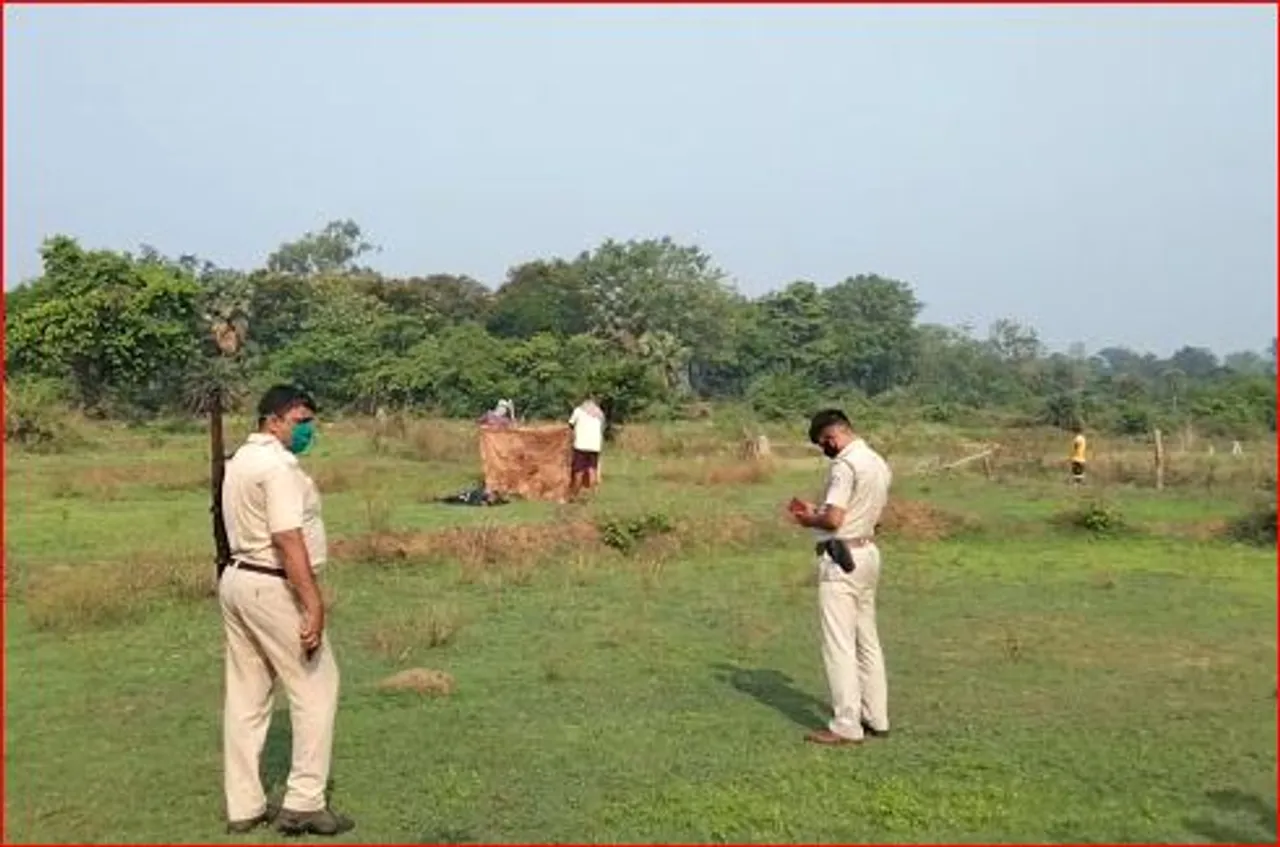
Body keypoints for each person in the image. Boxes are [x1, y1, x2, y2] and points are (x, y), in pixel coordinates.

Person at [218, 385, 353, 836]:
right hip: (274, 585)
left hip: (238, 579)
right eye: (300, 421)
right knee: (316, 685)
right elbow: (287, 538)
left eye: (310, 421)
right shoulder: (276, 467)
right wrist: (313, 602)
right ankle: (304, 801)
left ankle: (244, 804)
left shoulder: (241, 461)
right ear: (272, 420)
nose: (307, 429)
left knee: (247, 695)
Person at [787, 408, 892, 747]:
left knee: (839, 644)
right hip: (867, 553)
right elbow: (870, 517)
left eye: (823, 444)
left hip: (840, 557)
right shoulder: (877, 462)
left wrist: (807, 519)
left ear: (832, 437)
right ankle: (876, 716)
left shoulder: (844, 466)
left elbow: (833, 519)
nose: (825, 450)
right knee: (867, 640)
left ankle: (847, 724)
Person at [568, 395, 605, 496]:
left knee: (578, 470)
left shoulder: (579, 411)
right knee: (592, 469)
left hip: (581, 445)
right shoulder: (599, 412)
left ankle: (574, 493)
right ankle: (592, 494)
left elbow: (570, 424)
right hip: (595, 446)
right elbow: (602, 429)